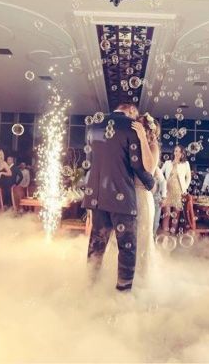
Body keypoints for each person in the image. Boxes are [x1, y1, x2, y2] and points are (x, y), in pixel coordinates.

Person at [82, 103, 155, 292]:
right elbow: (136, 165)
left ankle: (90, 284)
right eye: (135, 115)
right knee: (127, 247)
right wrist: (150, 182)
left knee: (97, 242)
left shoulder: (94, 127)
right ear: (131, 111)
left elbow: (90, 162)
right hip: (121, 198)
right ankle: (123, 290)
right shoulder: (130, 127)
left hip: (97, 196)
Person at [131, 113, 160, 279]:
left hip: (142, 197)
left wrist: (142, 137)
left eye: (140, 125)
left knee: (143, 239)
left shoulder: (153, 146)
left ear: (148, 130)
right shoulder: (134, 145)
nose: (136, 127)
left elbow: (149, 168)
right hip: (129, 196)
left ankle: (142, 278)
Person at [161, 145, 191, 233]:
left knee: (176, 215)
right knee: (166, 214)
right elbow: (160, 174)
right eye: (176, 151)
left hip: (179, 191)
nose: (177, 153)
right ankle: (165, 235)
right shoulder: (167, 163)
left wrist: (185, 188)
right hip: (167, 191)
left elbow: (188, 177)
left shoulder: (185, 164)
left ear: (182, 154)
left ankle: (172, 234)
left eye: (179, 151)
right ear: (173, 152)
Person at [152, 166, 167, 237]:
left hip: (156, 198)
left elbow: (163, 182)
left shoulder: (156, 169)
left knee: (155, 221)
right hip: (144, 197)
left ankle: (153, 236)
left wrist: (163, 197)